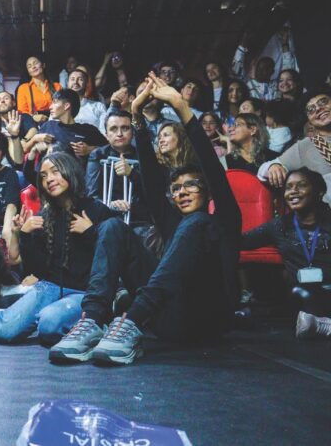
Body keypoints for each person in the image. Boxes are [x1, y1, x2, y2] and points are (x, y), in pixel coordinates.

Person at [52, 73, 241, 365]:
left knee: (197, 222)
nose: (182, 192)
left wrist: (181, 106)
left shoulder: (222, 221)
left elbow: (213, 170)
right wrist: (136, 115)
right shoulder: (171, 219)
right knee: (113, 226)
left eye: (191, 185)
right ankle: (92, 321)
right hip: (168, 320)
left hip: (208, 320)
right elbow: (152, 180)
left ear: (207, 191)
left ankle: (131, 319)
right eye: (176, 188)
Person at [0, 152, 129, 347]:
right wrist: (25, 235)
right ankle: (8, 317)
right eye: (44, 176)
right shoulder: (45, 215)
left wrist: (90, 232)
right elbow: (37, 270)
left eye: (55, 172)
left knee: (48, 325)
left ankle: (97, 323)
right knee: (2, 331)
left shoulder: (96, 209)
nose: (49, 179)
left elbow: (114, 258)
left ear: (70, 172)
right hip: (50, 287)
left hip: (85, 292)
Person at [241, 168, 331, 339]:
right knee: (298, 293)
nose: (293, 191)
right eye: (288, 187)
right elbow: (242, 241)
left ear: (319, 192)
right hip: (302, 296)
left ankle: (322, 325)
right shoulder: (279, 226)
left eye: (301, 185)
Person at [259, 91, 331, 201]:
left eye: (323, 102)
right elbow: (263, 171)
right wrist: (273, 166)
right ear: (309, 120)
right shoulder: (307, 146)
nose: (318, 109)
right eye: (311, 109)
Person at [86, 110, 150, 225]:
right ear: (106, 135)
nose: (119, 133)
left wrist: (132, 173)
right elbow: (92, 195)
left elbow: (152, 193)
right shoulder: (98, 156)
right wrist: (110, 204)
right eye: (114, 129)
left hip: (139, 219)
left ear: (132, 132)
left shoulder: (143, 156)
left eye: (125, 128)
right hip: (108, 219)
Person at [36, 89, 107, 165]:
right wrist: (34, 141)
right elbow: (28, 149)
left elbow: (109, 149)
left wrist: (91, 150)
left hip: (78, 171)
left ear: (66, 106)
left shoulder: (88, 130)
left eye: (55, 102)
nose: (50, 107)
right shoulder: (48, 126)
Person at [232, 28, 298, 101]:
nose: (260, 72)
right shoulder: (246, 83)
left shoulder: (277, 86)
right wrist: (243, 42)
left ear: (272, 72)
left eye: (265, 69)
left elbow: (288, 67)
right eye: (259, 69)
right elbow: (237, 66)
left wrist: (285, 43)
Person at [16, 55, 61, 123]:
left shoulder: (56, 86)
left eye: (35, 63)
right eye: (29, 66)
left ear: (43, 65)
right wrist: (33, 117)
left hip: (55, 121)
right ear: (28, 72)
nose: (33, 67)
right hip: (33, 123)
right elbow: (22, 112)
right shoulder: (23, 88)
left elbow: (62, 107)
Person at [68, 67, 107, 133]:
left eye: (80, 79)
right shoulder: (59, 106)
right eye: (72, 79)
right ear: (68, 83)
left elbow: (104, 132)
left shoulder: (98, 106)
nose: (75, 82)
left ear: (86, 84)